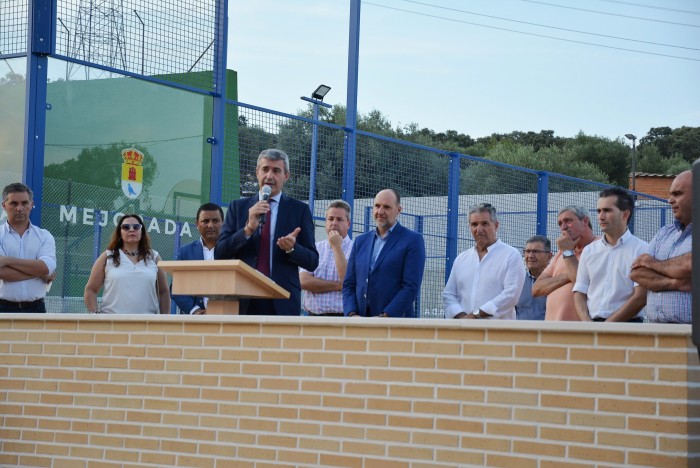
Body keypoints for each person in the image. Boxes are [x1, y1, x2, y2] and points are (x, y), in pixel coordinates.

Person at [215, 149, 319, 315]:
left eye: (276, 170)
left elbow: (313, 261)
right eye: (265, 169)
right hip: (244, 297)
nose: (270, 176)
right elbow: (220, 253)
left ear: (286, 175)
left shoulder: (299, 210)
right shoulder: (238, 208)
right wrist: (247, 230)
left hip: (282, 298)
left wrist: (292, 248)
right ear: (257, 173)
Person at [343, 189, 425, 318]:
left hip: (394, 323)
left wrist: (385, 317)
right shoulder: (360, 241)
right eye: (377, 206)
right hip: (360, 321)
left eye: (386, 207)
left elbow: (411, 287)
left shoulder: (412, 240)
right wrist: (352, 314)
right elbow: (349, 284)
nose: (380, 211)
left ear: (398, 210)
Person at [572, 187, 648, 322]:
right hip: (592, 327)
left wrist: (607, 326)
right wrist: (587, 324)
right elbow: (580, 291)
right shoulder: (589, 251)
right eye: (599, 211)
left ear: (625, 214)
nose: (601, 216)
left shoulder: (642, 250)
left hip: (627, 328)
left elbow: (640, 297)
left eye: (607, 210)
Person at [443, 203, 525, 320]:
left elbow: (511, 296)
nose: (479, 229)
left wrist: (475, 315)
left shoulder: (511, 256)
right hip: (464, 331)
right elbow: (449, 294)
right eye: (474, 224)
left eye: (485, 224)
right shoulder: (461, 259)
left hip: (497, 333)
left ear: (496, 225)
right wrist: (462, 317)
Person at [631, 171, 692, 323]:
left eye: (677, 194)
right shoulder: (664, 233)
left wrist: (653, 264)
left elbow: (690, 264)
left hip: (692, 337)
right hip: (656, 333)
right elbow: (637, 273)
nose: (670, 200)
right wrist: (676, 283)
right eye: (671, 194)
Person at [84, 214, 170, 314]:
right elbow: (91, 289)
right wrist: (95, 315)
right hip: (112, 324)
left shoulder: (154, 257)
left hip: (147, 324)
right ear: (119, 232)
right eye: (126, 227)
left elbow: (164, 292)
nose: (131, 230)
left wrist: (165, 320)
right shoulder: (107, 256)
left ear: (142, 231)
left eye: (136, 227)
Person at [532, 205, 598, 321]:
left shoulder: (599, 247)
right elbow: (536, 288)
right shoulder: (560, 252)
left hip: (581, 331)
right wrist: (568, 276)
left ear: (585, 221)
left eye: (568, 221)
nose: (563, 227)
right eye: (560, 223)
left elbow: (582, 283)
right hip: (553, 329)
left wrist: (568, 252)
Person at [0, 183, 56, 313]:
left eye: (24, 203)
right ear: (4, 205)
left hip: (37, 309)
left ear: (31, 204)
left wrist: (7, 260)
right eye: (14, 203)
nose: (19, 208)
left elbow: (46, 267)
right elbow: (2, 273)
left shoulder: (44, 236)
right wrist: (40, 274)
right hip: (2, 308)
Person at [300, 200, 353, 316]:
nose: (334, 223)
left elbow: (347, 280)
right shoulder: (315, 248)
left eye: (339, 219)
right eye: (330, 219)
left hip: (341, 319)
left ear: (348, 224)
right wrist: (338, 286)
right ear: (325, 222)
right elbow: (303, 281)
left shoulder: (356, 249)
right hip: (312, 318)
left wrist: (336, 246)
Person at [172, 203, 224, 315]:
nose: (210, 225)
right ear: (197, 224)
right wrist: (194, 310)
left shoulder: (233, 251)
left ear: (223, 223)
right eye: (205, 221)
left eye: (215, 221)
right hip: (194, 320)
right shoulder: (185, 252)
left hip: (226, 317)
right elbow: (175, 288)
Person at [515, 235, 552, 320]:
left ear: (549, 256)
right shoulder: (517, 279)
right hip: (518, 331)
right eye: (527, 251)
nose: (530, 256)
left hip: (547, 332)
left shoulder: (555, 280)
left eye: (536, 251)